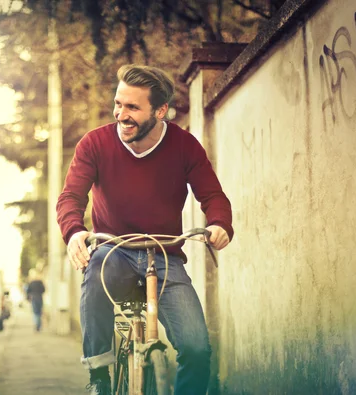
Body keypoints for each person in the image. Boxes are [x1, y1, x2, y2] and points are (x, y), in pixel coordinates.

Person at [56, 64, 233, 395]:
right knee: (94, 268)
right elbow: (71, 197)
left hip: (165, 255)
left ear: (160, 110)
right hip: (114, 250)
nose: (121, 114)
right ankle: (98, 378)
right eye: (118, 104)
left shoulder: (185, 146)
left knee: (197, 350)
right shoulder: (94, 144)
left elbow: (212, 195)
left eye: (132, 107)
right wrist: (75, 231)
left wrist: (219, 223)